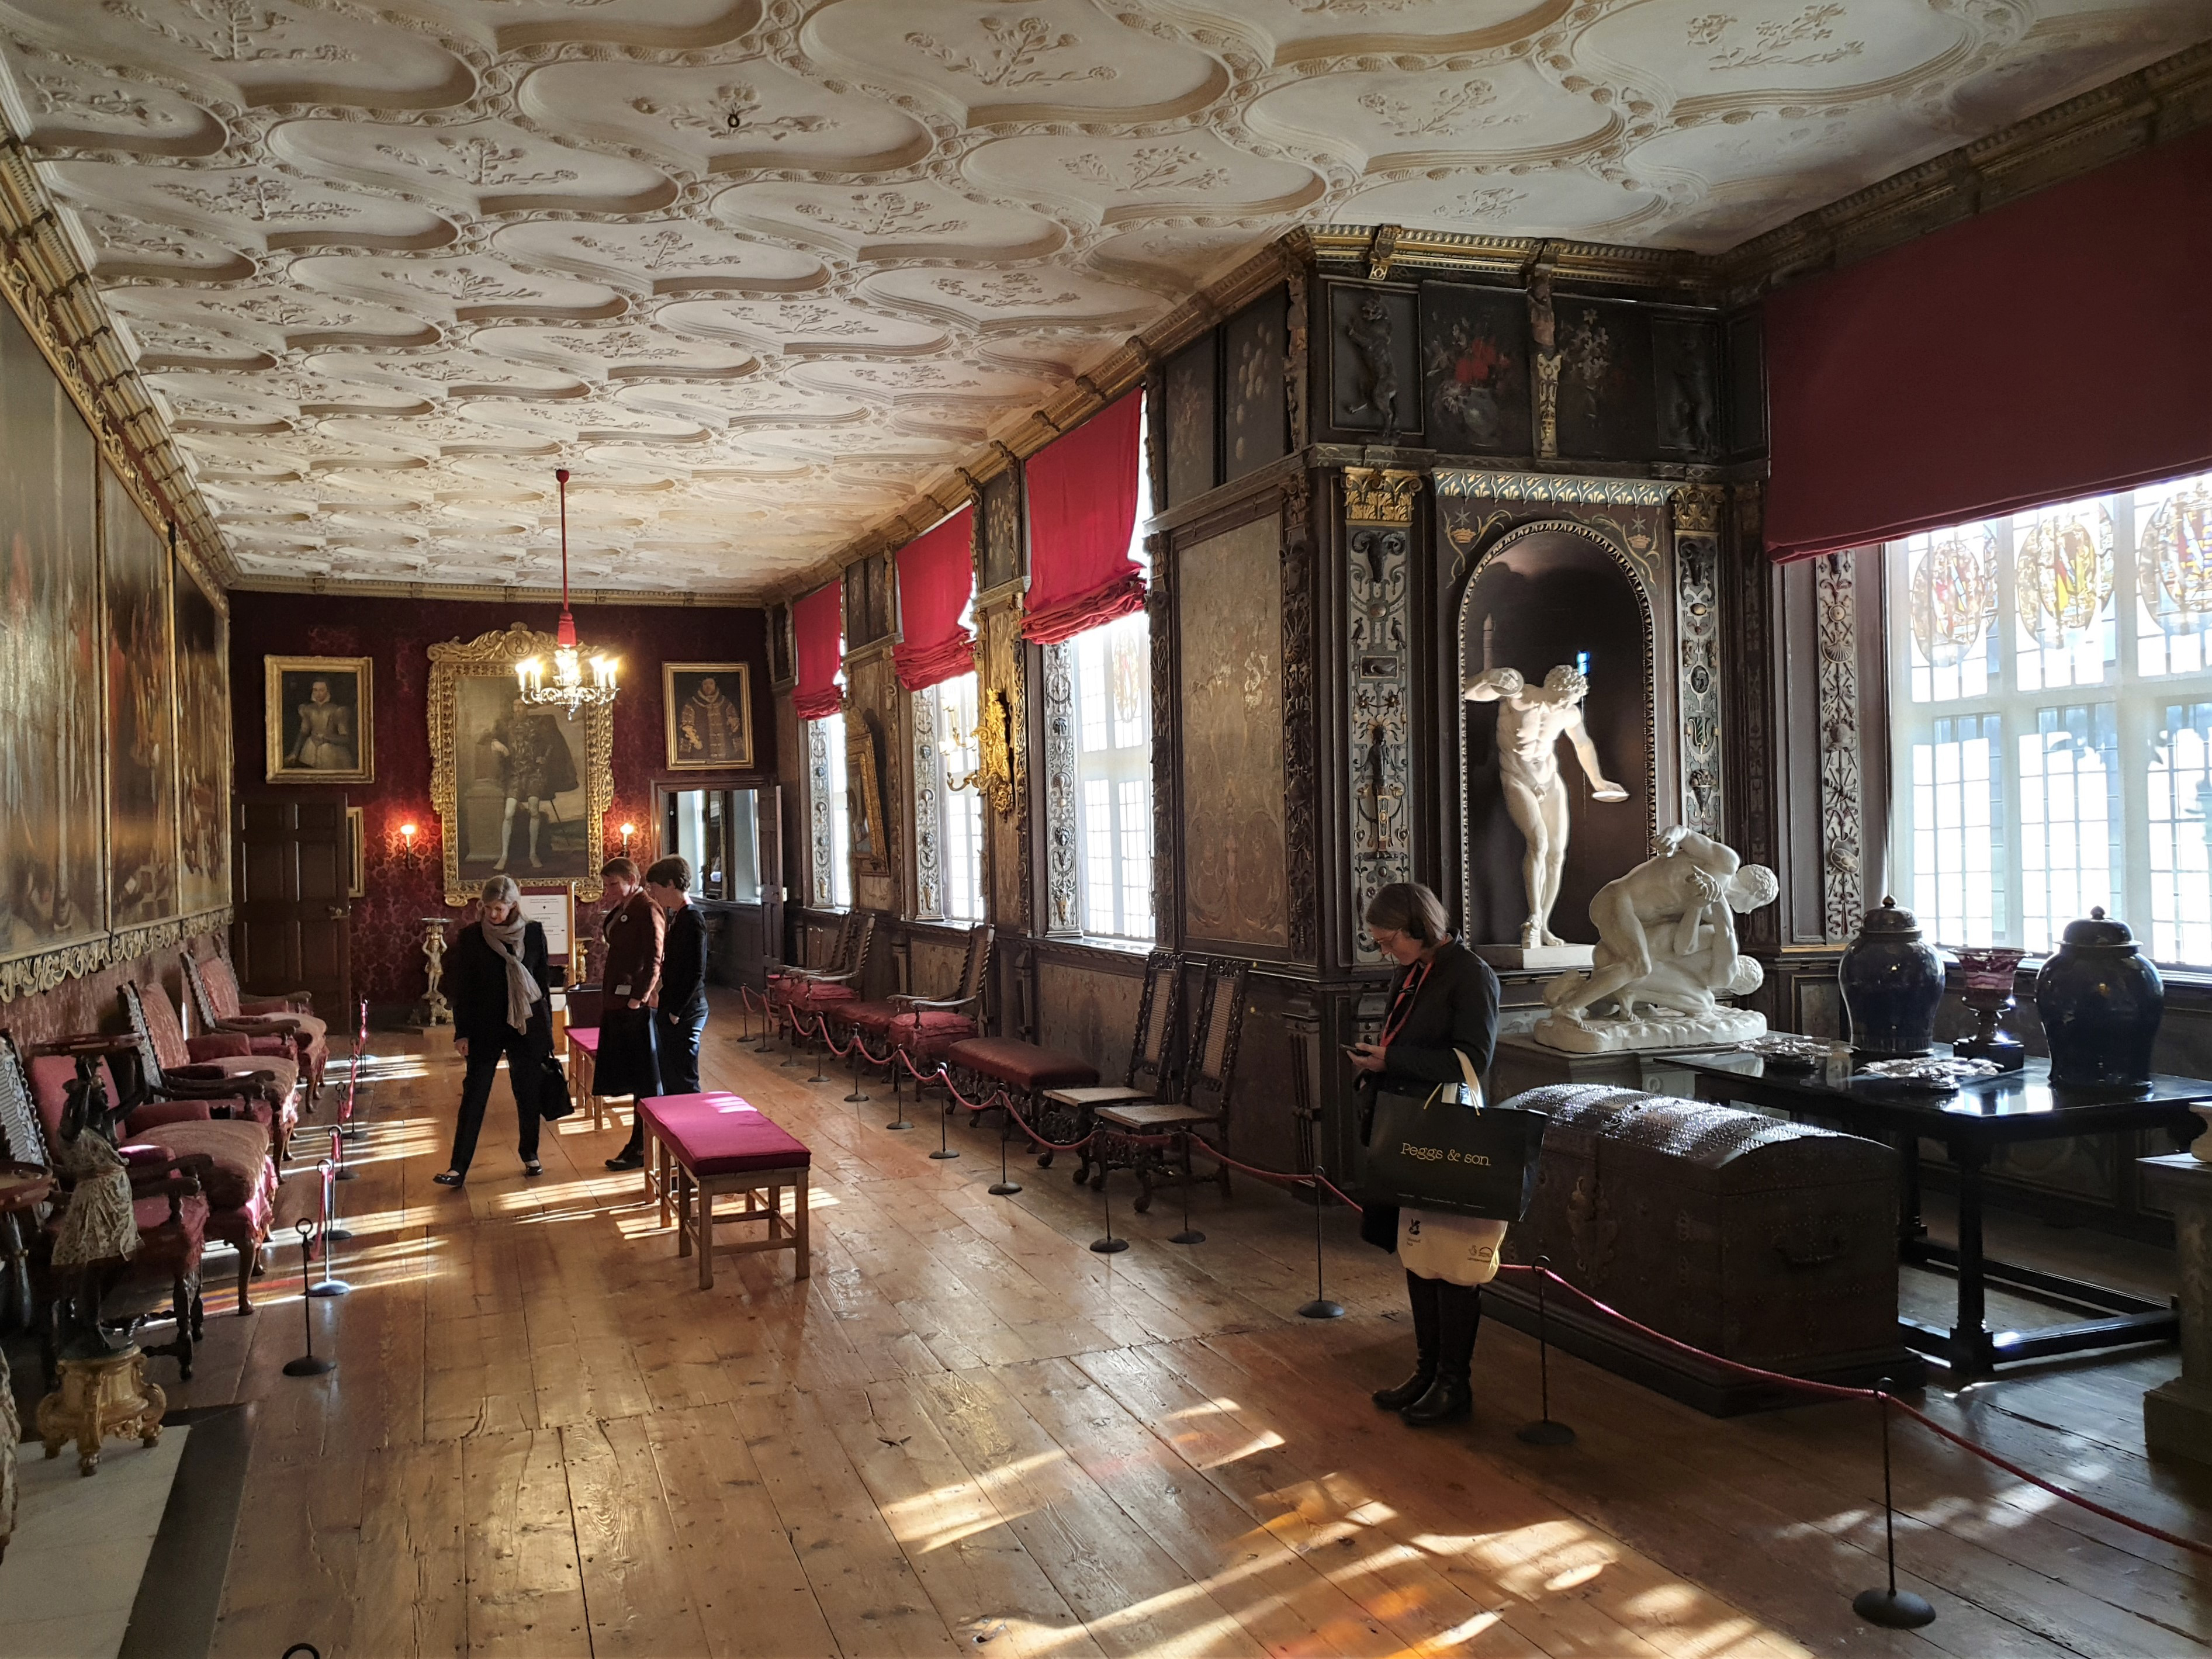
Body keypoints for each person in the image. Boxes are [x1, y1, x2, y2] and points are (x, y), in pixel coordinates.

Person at [1348, 881, 1501, 1427]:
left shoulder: (1470, 973)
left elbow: (1469, 1061)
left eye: (1390, 941)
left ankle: (1454, 1382)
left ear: (1418, 925)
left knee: (1453, 1263)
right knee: (1417, 1254)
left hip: (1447, 1132)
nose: (1387, 953)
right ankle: (1426, 1369)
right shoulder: (1411, 971)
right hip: (1408, 1126)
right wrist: (1382, 1062)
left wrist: (1391, 1060)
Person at [1465, 664, 1628, 949]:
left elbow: (1583, 744)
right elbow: (1465, 693)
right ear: (1550, 686)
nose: (1564, 705)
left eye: (1570, 701)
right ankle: (1533, 919)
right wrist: (1485, 677)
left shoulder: (1568, 712)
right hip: (1517, 778)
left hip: (1550, 781)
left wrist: (1598, 781)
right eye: (1562, 697)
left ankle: (1542, 924)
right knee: (1538, 843)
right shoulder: (1519, 695)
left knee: (1556, 854)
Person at [434, 876, 551, 1187]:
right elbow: (464, 990)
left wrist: (546, 1035)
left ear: (513, 905)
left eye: (499, 908)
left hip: (524, 1026)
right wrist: (462, 1032)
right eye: (488, 908)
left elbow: (542, 987)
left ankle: (530, 1154)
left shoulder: (535, 933)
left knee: (527, 1094)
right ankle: (458, 1168)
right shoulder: (473, 937)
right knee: (474, 1096)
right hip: (485, 1027)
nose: (493, 915)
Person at [608, 856, 708, 1168]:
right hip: (674, 1010)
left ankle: (698, 1151)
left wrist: (676, 1011)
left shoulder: (692, 918)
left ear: (670, 885)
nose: (652, 893)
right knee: (674, 1080)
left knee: (684, 1082)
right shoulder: (679, 916)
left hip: (686, 1012)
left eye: (654, 887)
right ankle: (683, 1152)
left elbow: (695, 973)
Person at [597, 857, 666, 1172]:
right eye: (606, 884)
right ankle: (638, 1144)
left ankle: (643, 1147)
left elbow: (654, 957)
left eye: (613, 884)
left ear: (632, 878)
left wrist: (639, 998)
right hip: (617, 1003)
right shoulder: (624, 908)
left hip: (634, 1006)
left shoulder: (647, 908)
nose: (608, 890)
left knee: (644, 1080)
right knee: (631, 1076)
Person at [289, 677, 355, 771]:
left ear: (328, 691)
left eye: (321, 690)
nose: (318, 694)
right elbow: (303, 732)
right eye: (315, 690)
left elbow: (346, 738)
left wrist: (326, 738)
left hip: (331, 752)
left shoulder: (337, 710)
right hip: (310, 750)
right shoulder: (308, 709)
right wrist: (295, 753)